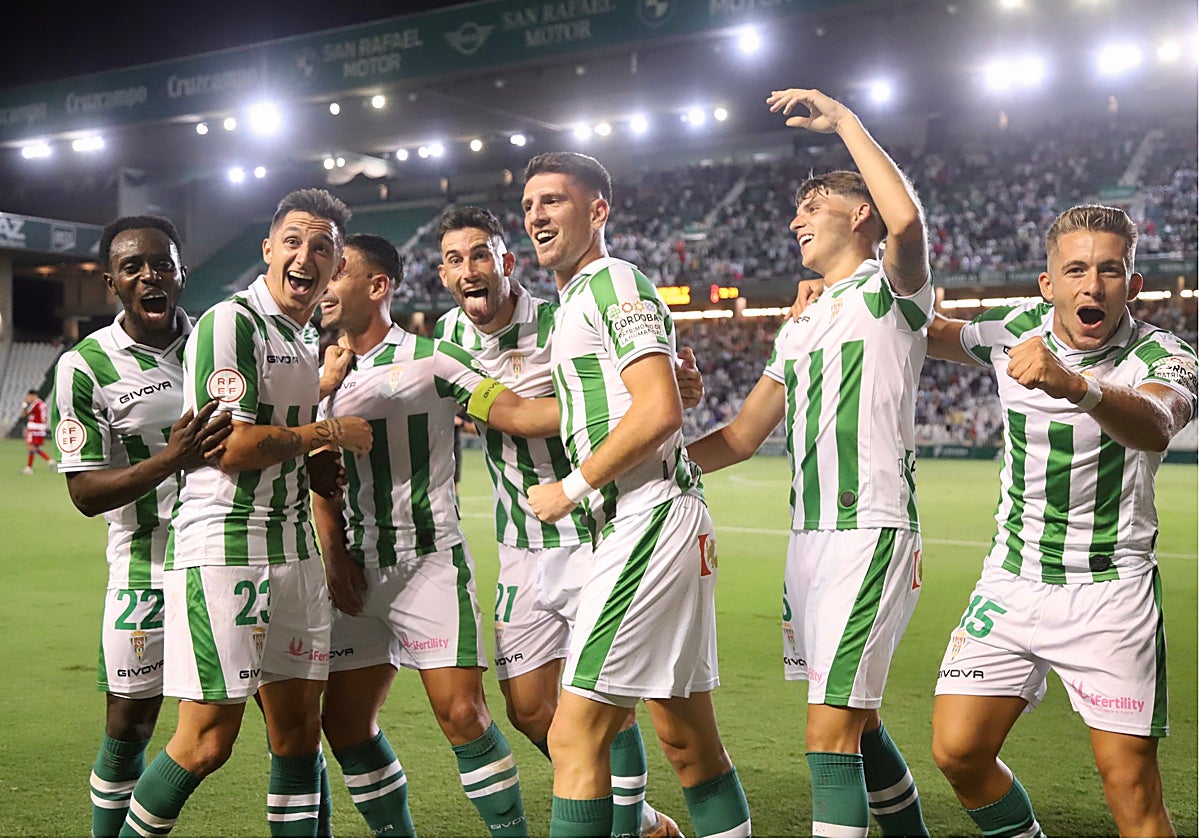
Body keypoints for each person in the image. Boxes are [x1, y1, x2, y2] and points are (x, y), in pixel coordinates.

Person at [686, 88, 932, 838]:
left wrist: (845, 124)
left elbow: (909, 220)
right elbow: (738, 436)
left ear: (858, 216)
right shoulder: (800, 325)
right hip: (809, 541)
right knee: (856, 723)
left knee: (828, 739)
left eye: (813, 205)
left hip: (871, 533)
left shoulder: (895, 291)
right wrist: (629, 469)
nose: (796, 219)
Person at [923, 205, 1195, 837]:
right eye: (1075, 270)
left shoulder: (1166, 354)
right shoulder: (1013, 328)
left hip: (1109, 591)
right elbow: (927, 331)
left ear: (1132, 285)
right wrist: (845, 292)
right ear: (1049, 284)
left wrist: (1078, 387)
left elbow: (1156, 425)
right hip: (1012, 578)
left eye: (1109, 270)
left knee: (1130, 786)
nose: (1091, 286)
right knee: (958, 751)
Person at [119, 188, 373, 838]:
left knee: (296, 735)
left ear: (336, 264)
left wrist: (313, 454)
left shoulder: (303, 337)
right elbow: (228, 446)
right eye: (293, 241)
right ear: (268, 249)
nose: (305, 256)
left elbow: (284, 433)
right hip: (225, 552)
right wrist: (327, 434)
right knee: (206, 741)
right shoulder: (231, 323)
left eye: (321, 247)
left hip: (292, 557)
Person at [432, 205, 690, 838]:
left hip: (591, 529)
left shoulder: (560, 318)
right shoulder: (446, 341)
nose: (470, 269)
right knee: (527, 709)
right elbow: (517, 414)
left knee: (607, 700)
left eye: (481, 255)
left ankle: (629, 824)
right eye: (455, 260)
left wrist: (662, 390)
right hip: (521, 542)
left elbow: (630, 393)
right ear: (442, 274)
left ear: (506, 262)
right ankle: (638, 815)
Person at [521, 151, 751, 838]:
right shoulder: (578, 300)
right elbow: (651, 398)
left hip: (644, 517)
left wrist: (569, 487)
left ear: (597, 211)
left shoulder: (610, 282)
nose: (536, 215)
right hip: (658, 518)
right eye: (530, 204)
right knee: (686, 742)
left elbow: (657, 413)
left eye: (553, 201)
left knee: (574, 735)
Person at [313, 232, 563, 838]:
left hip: (428, 562)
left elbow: (518, 413)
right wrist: (335, 555)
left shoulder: (436, 360)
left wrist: (636, 398)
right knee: (344, 726)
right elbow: (315, 474)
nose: (322, 281)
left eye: (336, 270)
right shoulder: (312, 371)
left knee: (462, 715)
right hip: (353, 570)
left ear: (376, 287)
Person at [50, 215, 232, 836]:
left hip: (233, 556)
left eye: (162, 263)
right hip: (144, 568)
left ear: (182, 272)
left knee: (287, 717)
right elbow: (83, 491)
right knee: (129, 726)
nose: (150, 275)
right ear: (111, 282)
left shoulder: (220, 339)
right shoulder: (86, 365)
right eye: (133, 266)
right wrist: (170, 460)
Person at [20, 388, 55, 473]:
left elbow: (24, 414)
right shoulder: (42, 404)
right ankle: (50, 461)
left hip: (34, 428)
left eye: (29, 396)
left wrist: (24, 405)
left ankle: (29, 468)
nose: (29, 398)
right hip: (41, 428)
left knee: (32, 447)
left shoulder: (36, 404)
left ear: (33, 396)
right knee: (35, 447)